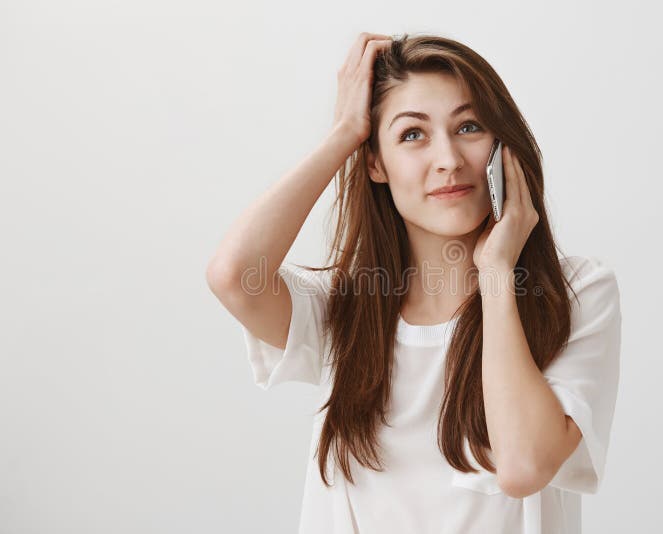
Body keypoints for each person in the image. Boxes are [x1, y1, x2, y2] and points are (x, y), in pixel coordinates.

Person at [206, 31, 622, 534]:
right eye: (412, 134)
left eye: (468, 126)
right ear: (375, 162)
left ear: (501, 146)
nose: (447, 159)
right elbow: (233, 275)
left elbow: (523, 467)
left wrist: (496, 276)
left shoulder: (575, 294)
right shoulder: (345, 307)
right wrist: (343, 133)